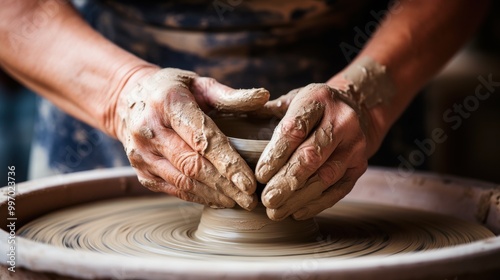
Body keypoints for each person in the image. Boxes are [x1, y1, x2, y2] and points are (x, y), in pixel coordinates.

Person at [0, 0, 489, 221]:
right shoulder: (117, 92)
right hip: (101, 76)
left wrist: (366, 99)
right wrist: (120, 92)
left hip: (357, 91)